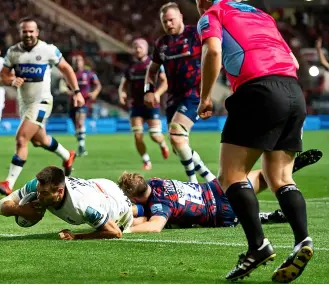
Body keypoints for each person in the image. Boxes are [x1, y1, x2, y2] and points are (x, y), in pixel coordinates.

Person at [195, 0, 311, 282]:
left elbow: (212, 50)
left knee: (231, 174)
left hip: (258, 90)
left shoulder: (212, 14)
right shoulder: (260, 15)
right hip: (293, 91)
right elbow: (293, 61)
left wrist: (205, 96)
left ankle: (257, 246)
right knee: (280, 176)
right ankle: (302, 241)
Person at [122, 149, 322, 232]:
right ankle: (286, 167)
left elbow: (154, 226)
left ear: (134, 196)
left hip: (219, 211)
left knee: (236, 215)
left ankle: (266, 217)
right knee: (264, 175)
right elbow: (142, 210)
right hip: (217, 188)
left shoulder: (160, 205)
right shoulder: (154, 182)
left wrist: (126, 230)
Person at [0, 17, 85, 196]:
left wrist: (77, 91)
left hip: (42, 101)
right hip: (25, 103)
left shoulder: (48, 50)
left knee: (21, 139)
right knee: (38, 140)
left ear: (37, 32)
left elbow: (66, 68)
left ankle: (8, 183)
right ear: (20, 33)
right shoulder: (13, 52)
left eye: (31, 31)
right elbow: (1, 76)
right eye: (24, 31)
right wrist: (11, 79)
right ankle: (67, 156)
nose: (28, 34)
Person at [145, 2, 213, 182]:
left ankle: (193, 184)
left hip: (194, 95)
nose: (168, 24)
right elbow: (151, 70)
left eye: (171, 20)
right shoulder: (162, 44)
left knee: (176, 134)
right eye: (164, 21)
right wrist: (148, 90)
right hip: (173, 99)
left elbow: (213, 53)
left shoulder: (195, 34)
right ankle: (211, 179)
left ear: (181, 17)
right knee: (179, 144)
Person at [0, 166, 134, 240]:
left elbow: (115, 233)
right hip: (100, 185)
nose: (38, 196)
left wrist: (76, 237)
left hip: (120, 209)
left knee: (140, 223)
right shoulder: (37, 186)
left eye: (44, 194)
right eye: (38, 191)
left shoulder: (82, 205)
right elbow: (1, 204)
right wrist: (19, 210)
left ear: (60, 192)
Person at [119, 38, 170, 170]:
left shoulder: (154, 64)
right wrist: (122, 93)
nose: (137, 49)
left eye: (140, 46)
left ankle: (162, 143)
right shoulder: (130, 67)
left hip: (151, 104)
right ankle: (146, 161)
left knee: (154, 135)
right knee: (137, 135)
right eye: (135, 47)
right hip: (136, 105)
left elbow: (165, 82)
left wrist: (157, 94)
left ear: (146, 49)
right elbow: (123, 85)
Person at [70, 55, 102, 156]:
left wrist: (94, 93)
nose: (77, 62)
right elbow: (64, 86)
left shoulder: (89, 74)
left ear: (83, 62)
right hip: (72, 102)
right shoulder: (70, 73)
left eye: (79, 60)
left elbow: (98, 85)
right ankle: (80, 143)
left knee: (80, 122)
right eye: (75, 60)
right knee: (76, 126)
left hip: (84, 102)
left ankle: (82, 146)